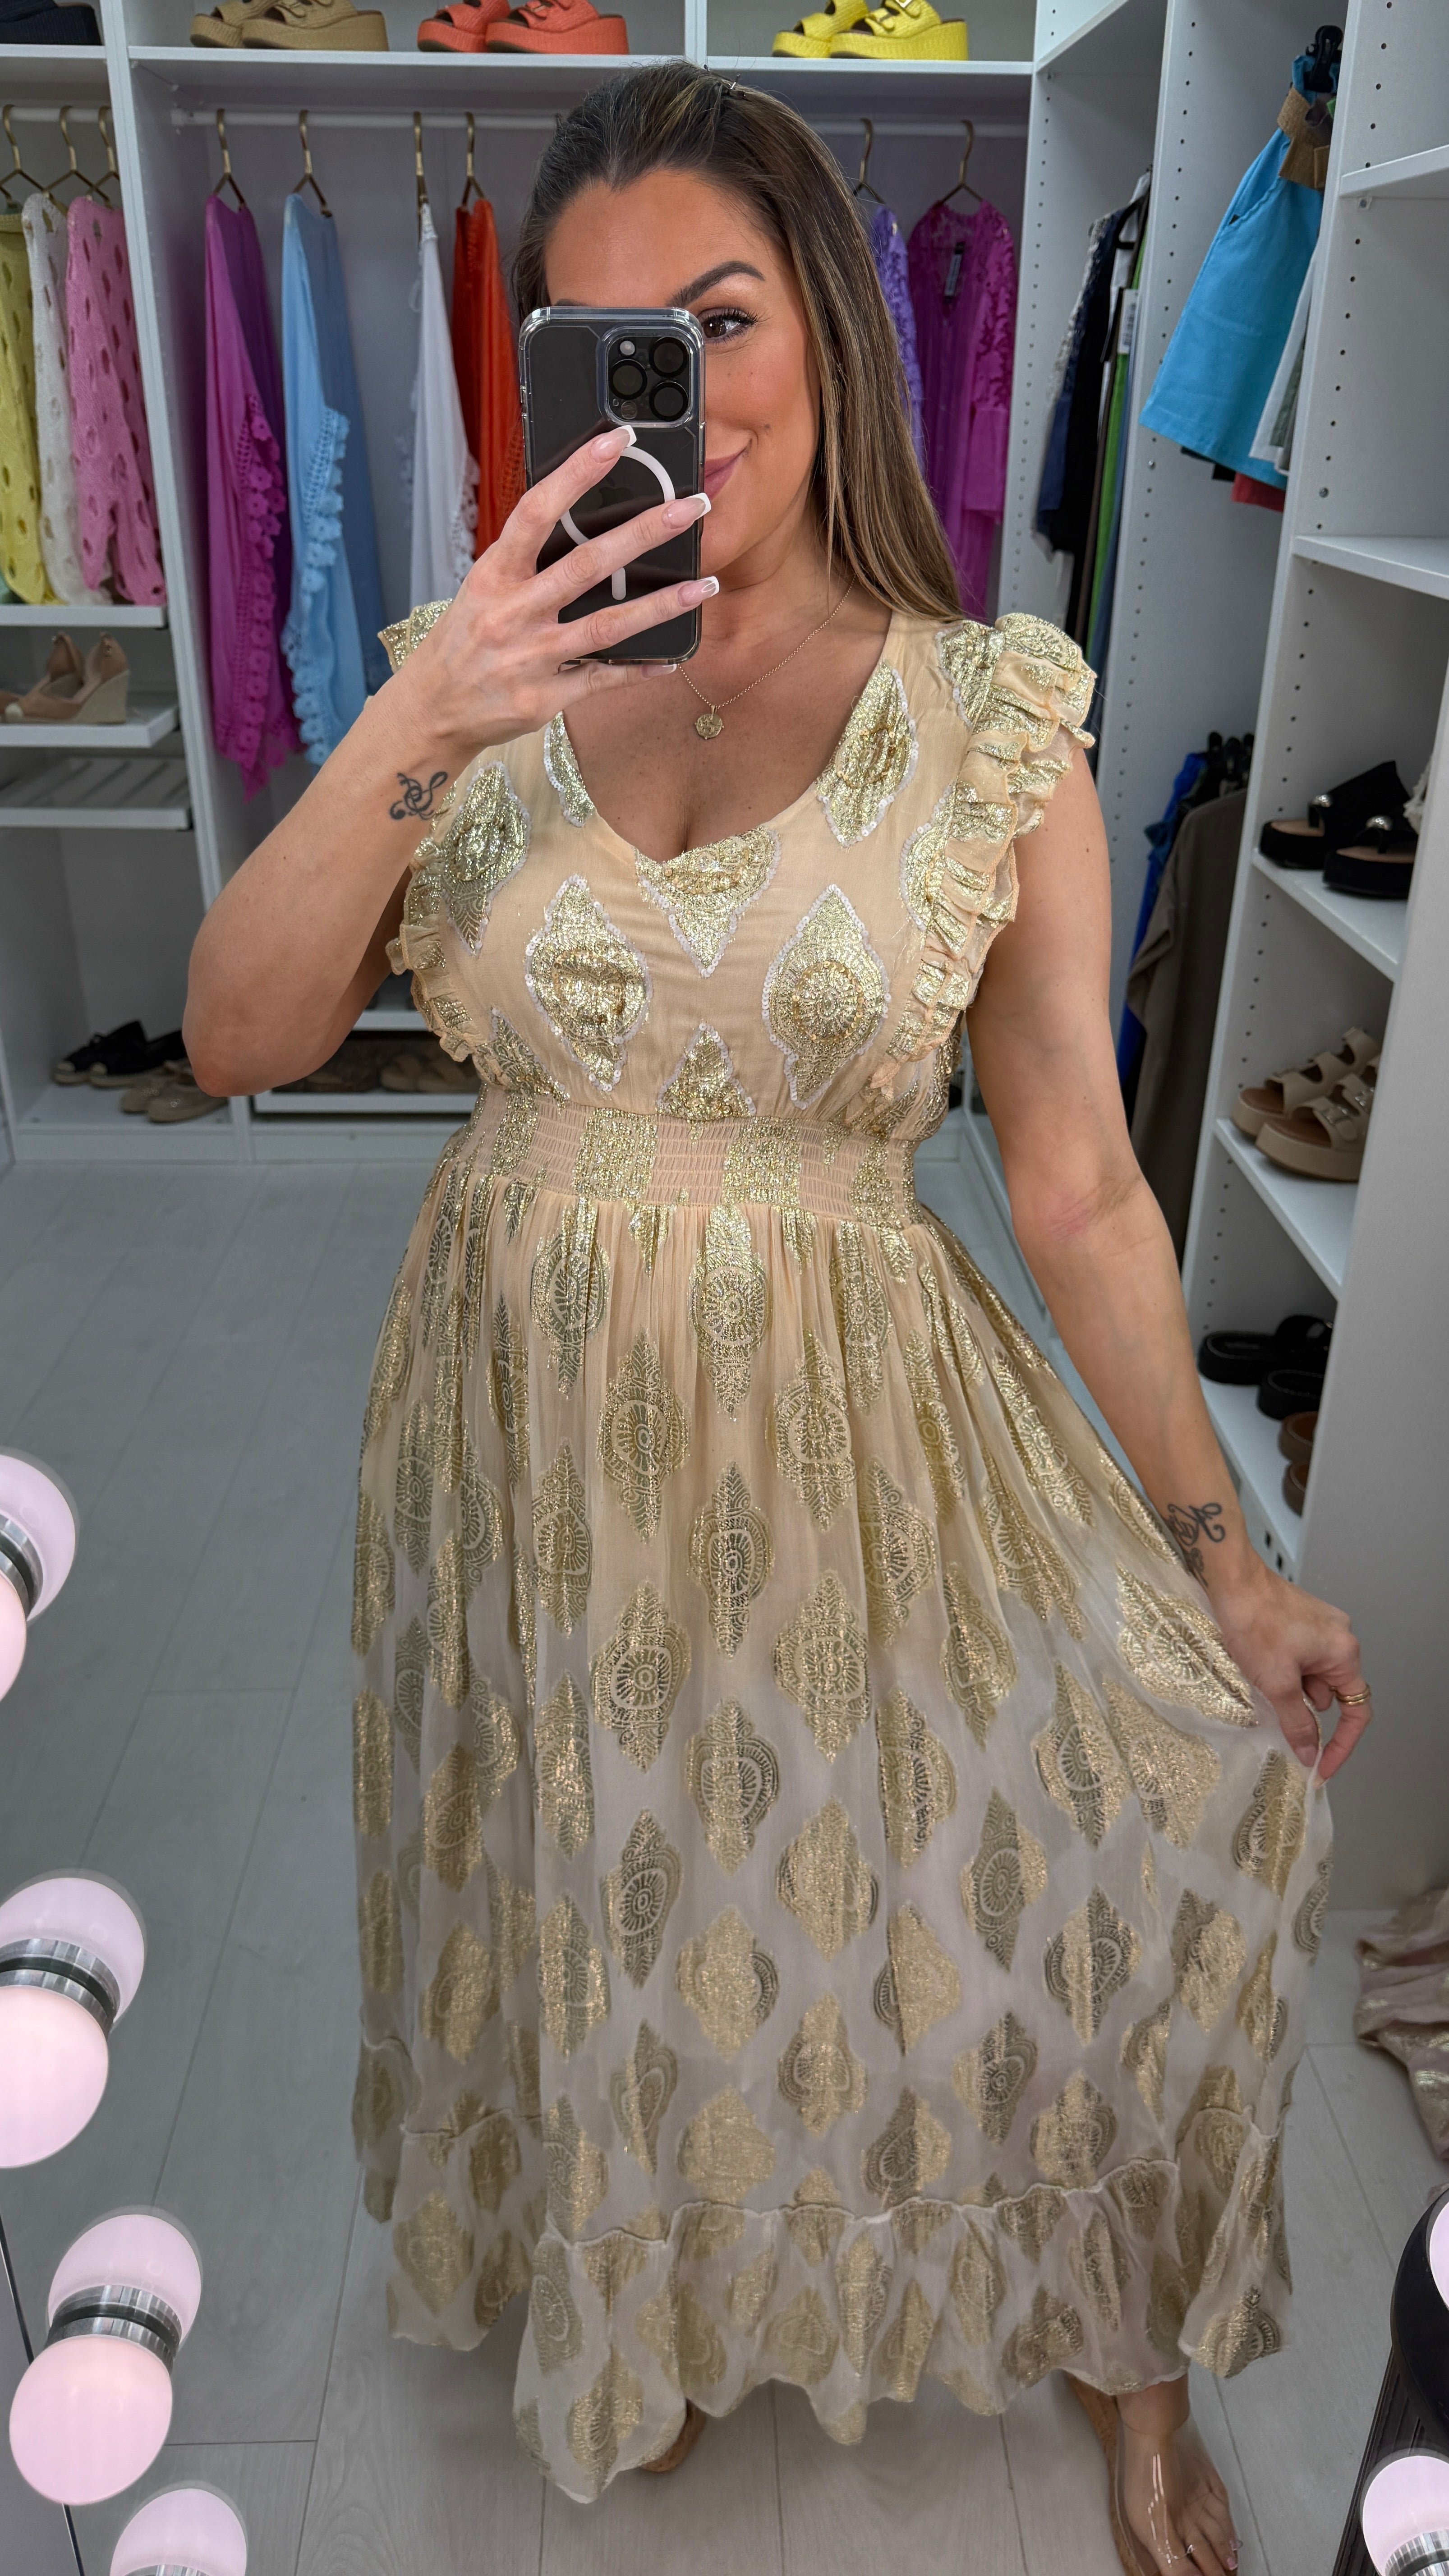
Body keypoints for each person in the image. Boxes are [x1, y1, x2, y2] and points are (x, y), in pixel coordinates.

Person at [184, 64, 1370, 2570]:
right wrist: (427, 710)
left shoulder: (983, 712)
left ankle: (1120, 2336)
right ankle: (661, 2273)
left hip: (849, 1417)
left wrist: (1222, 1555)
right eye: (608, 341)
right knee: (598, 1859)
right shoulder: (468, 691)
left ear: (826, 320)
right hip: (526, 1421)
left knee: (976, 1864)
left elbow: (1077, 1184)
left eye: (721, 318)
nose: (684, 390)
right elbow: (235, 1036)